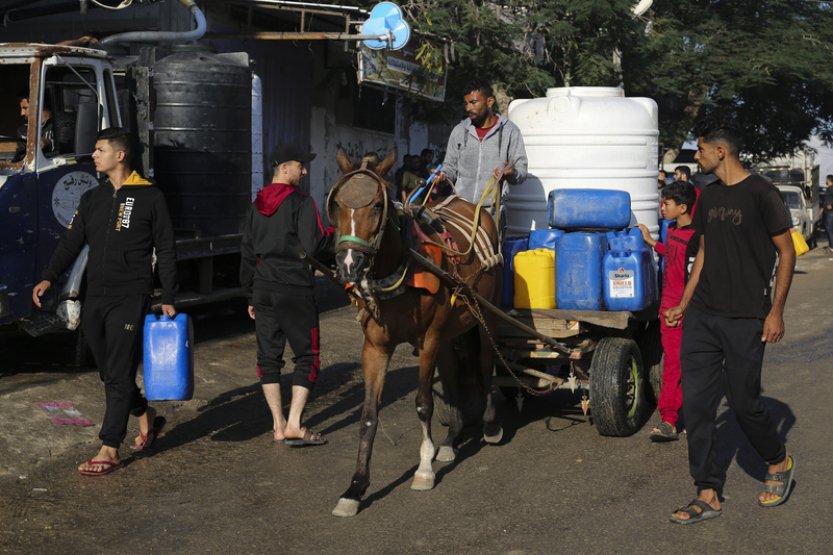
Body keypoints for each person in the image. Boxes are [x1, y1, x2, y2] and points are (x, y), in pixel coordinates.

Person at [664, 127, 796, 524]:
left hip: (746, 316)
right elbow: (703, 251)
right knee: (698, 405)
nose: (697, 156)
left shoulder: (762, 193)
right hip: (703, 315)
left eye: (701, 150)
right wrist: (684, 302)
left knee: (743, 403)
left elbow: (786, 252)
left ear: (721, 151)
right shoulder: (708, 195)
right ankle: (706, 492)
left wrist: (776, 311)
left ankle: (777, 459)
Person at [32, 127, 177, 476]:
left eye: (99, 150)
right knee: (108, 372)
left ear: (119, 155)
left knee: (119, 370)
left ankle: (110, 447)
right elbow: (71, 241)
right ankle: (144, 412)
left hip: (132, 293)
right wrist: (49, 276)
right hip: (96, 293)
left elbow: (166, 248)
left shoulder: (150, 197)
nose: (94, 155)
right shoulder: (92, 199)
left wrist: (170, 295)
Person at [239, 143, 335, 447]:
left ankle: (278, 425)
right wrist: (339, 238)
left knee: (268, 358)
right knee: (308, 356)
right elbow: (314, 245)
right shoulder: (302, 203)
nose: (304, 171)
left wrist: (250, 295)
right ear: (284, 168)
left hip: (263, 288)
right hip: (295, 289)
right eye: (300, 166)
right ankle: (294, 424)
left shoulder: (255, 205)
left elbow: (247, 253)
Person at [637, 181, 698, 443]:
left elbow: (697, 277)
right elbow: (671, 254)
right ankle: (680, 417)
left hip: (681, 310)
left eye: (667, 204)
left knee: (678, 365)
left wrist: (682, 308)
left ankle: (670, 420)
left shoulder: (696, 238)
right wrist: (652, 242)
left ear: (682, 208)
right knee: (675, 364)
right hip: (667, 308)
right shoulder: (672, 230)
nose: (662, 208)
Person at [434, 80, 528, 211]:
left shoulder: (510, 131)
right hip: (461, 208)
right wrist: (443, 175)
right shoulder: (459, 130)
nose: (468, 108)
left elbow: (522, 171)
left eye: (473, 102)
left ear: (489, 102)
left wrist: (511, 174)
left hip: (493, 211)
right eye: (466, 103)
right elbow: (450, 167)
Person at [12, 93, 55, 163]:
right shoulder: (23, 131)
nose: (22, 113)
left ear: (37, 106)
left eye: (25, 108)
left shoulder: (59, 124)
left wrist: (46, 143)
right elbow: (20, 157)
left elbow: (66, 150)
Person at [823, 174, 833, 252]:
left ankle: (832, 246)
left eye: (826, 179)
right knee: (827, 229)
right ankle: (830, 245)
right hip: (827, 212)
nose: (825, 181)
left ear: (829, 180)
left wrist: (831, 205)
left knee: (830, 229)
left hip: (830, 212)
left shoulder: (832, 188)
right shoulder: (828, 188)